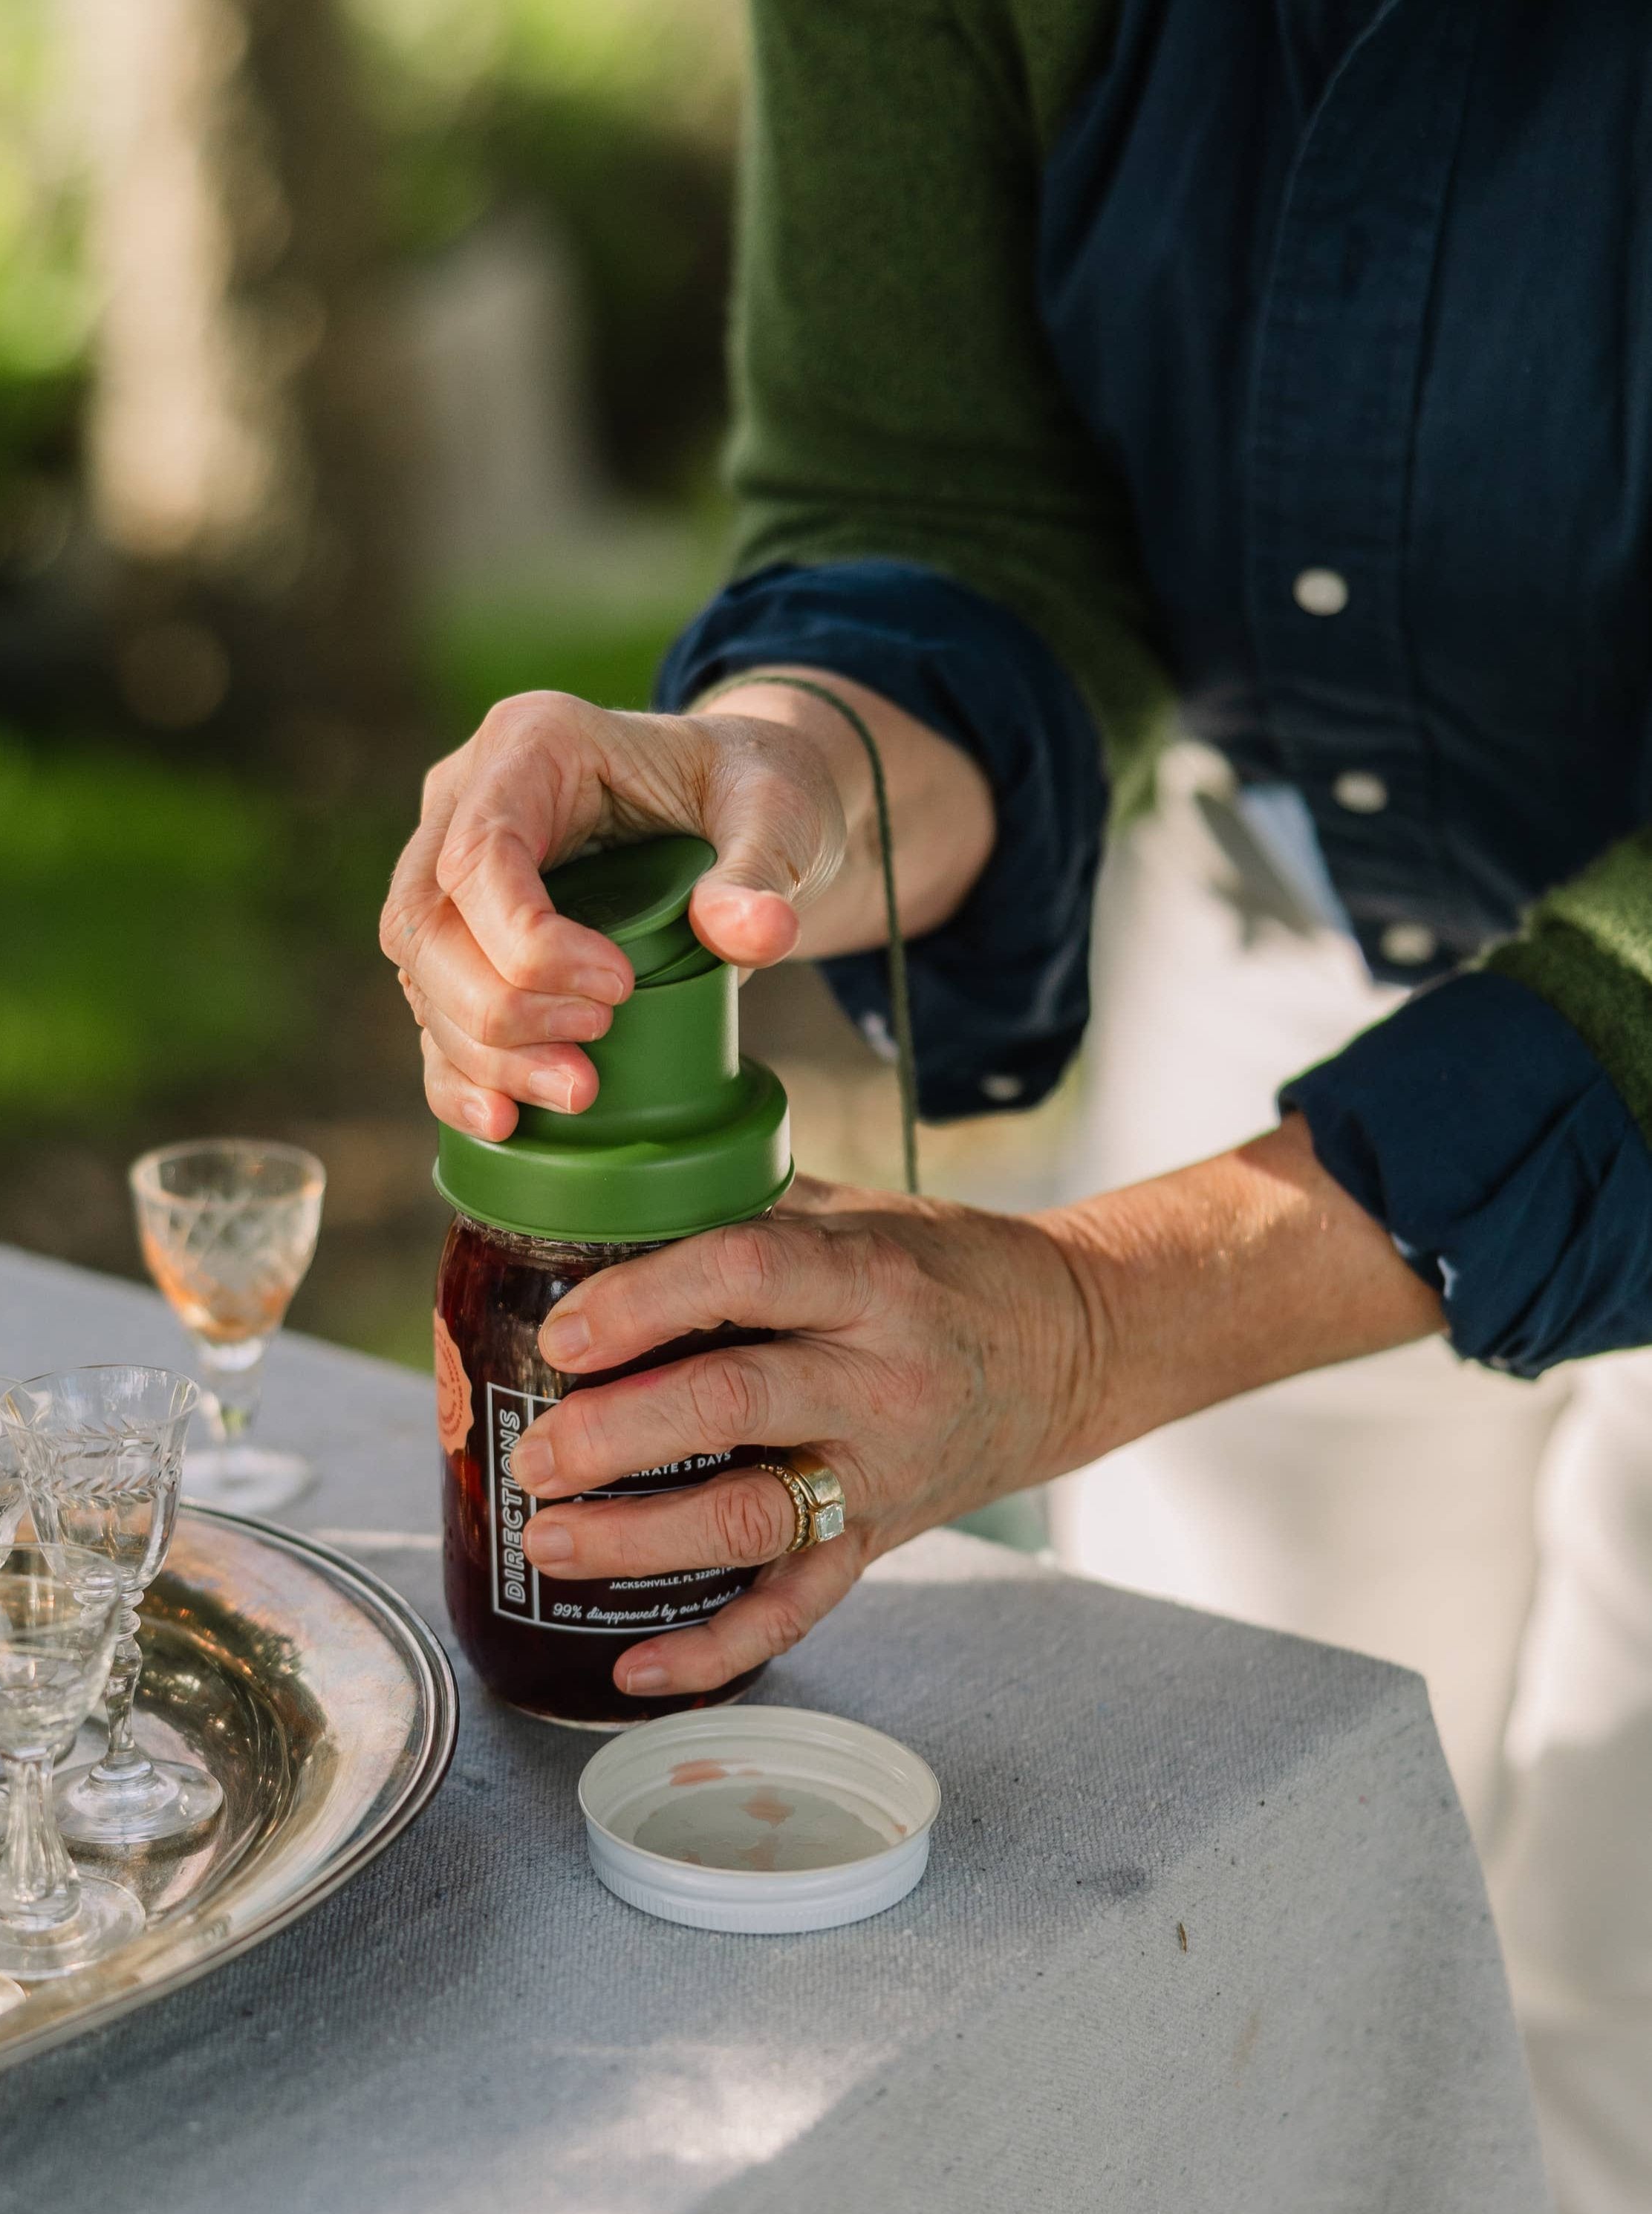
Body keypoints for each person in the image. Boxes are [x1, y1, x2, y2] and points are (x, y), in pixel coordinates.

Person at [380, 3, 1652, 2204]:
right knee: (1243, 2004)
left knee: (1623, 2028)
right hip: (1274, 940)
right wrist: (778, 778)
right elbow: (945, 492)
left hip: (1490, 1069)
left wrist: (1087, 1323)